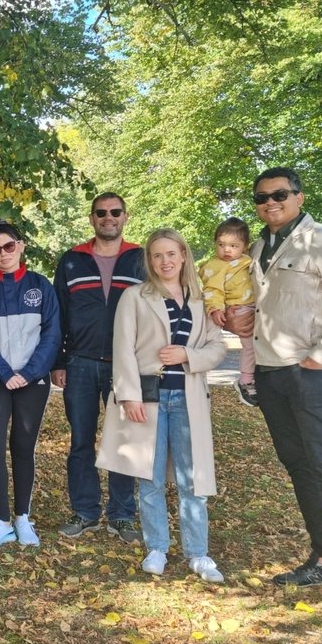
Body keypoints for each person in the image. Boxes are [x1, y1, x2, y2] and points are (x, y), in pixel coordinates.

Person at [233, 167, 322, 618]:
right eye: (261, 198)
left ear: (299, 196)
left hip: (315, 372)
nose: (270, 203)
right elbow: (266, 306)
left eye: (279, 194)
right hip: (272, 373)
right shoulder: (260, 247)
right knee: (299, 466)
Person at [96, 229, 228, 583]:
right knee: (149, 478)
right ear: (149, 261)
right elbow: (123, 348)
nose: (165, 261)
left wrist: (187, 354)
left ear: (183, 255)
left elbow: (218, 347)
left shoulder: (202, 299)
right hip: (149, 398)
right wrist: (129, 396)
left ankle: (198, 553)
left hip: (188, 398)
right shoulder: (135, 297)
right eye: (157, 255)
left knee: (192, 479)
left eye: (171, 254)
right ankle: (156, 547)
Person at [51, 192, 145, 543]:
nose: (109, 218)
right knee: (81, 441)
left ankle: (122, 515)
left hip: (126, 364)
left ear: (125, 216)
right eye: (101, 213)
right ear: (92, 218)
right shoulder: (72, 260)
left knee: (123, 441)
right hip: (80, 363)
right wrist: (58, 361)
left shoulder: (141, 259)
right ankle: (85, 512)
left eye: (115, 212)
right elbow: (58, 314)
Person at [0, 222, 61, 550]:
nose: (3, 254)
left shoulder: (40, 286)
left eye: (9, 246)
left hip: (32, 381)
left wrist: (30, 372)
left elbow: (52, 335)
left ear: (20, 246)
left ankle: (22, 517)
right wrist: (5, 373)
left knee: (22, 446)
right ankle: (1, 521)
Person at [199, 217, 257, 406]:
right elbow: (213, 290)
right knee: (250, 344)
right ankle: (246, 380)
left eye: (233, 245)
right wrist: (215, 309)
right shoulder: (216, 266)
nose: (227, 250)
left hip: (255, 306)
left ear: (245, 247)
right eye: (221, 244)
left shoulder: (246, 260)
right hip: (238, 308)